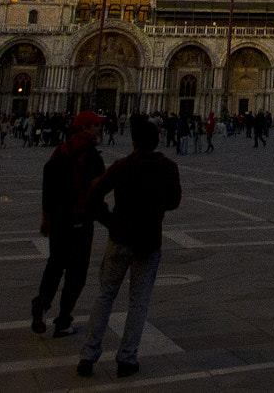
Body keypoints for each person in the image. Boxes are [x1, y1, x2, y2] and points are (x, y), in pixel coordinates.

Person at [78, 115, 183, 379]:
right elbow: (174, 202)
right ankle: (127, 359)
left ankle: (88, 355)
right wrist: (155, 208)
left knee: (105, 296)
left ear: (133, 142)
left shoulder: (121, 166)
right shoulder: (168, 167)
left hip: (120, 238)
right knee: (139, 303)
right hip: (148, 242)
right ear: (157, 141)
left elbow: (93, 196)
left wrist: (110, 221)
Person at [32, 111, 105, 339]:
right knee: (77, 272)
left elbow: (48, 181)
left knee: (55, 264)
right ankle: (63, 320)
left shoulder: (60, 150)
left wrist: (46, 217)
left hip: (57, 219)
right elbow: (97, 192)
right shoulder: (90, 154)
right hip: (79, 220)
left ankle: (42, 304)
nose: (98, 129)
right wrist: (111, 221)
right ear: (84, 128)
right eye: (95, 126)